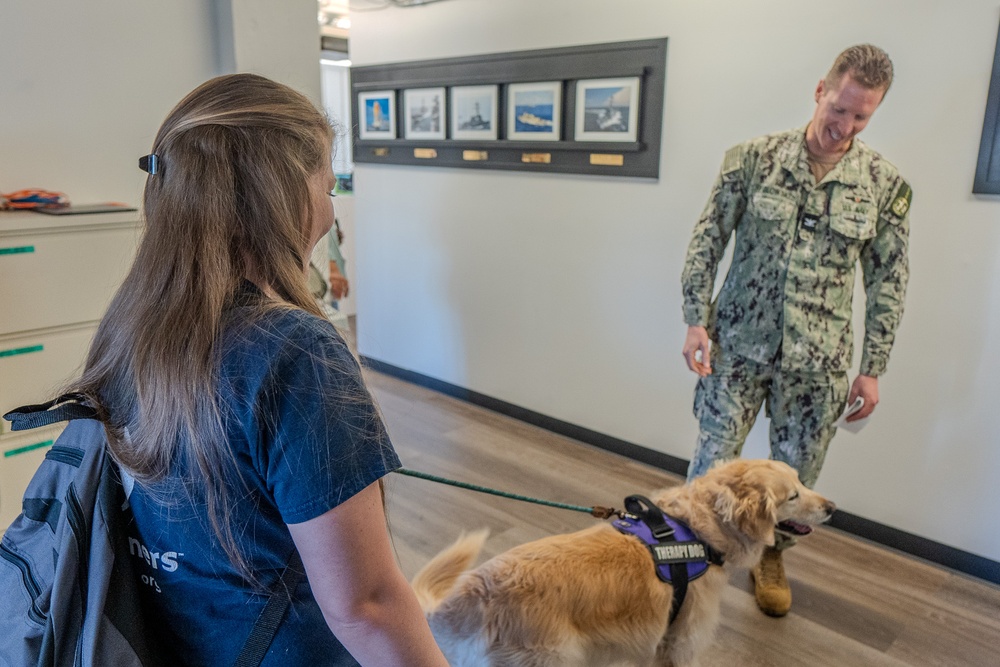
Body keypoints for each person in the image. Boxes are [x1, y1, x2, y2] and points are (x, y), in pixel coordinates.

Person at [67, 73, 449, 666]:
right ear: (287, 193)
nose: (329, 207)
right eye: (328, 185)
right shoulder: (295, 351)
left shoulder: (130, 326)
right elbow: (366, 604)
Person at [680, 44, 911, 617]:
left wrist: (873, 368)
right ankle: (680, 558)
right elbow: (707, 241)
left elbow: (889, 281)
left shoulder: (884, 184)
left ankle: (770, 556)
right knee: (712, 464)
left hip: (820, 362)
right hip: (736, 347)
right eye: (840, 108)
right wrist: (695, 319)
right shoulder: (751, 159)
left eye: (862, 116)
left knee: (797, 479)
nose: (845, 125)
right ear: (820, 90)